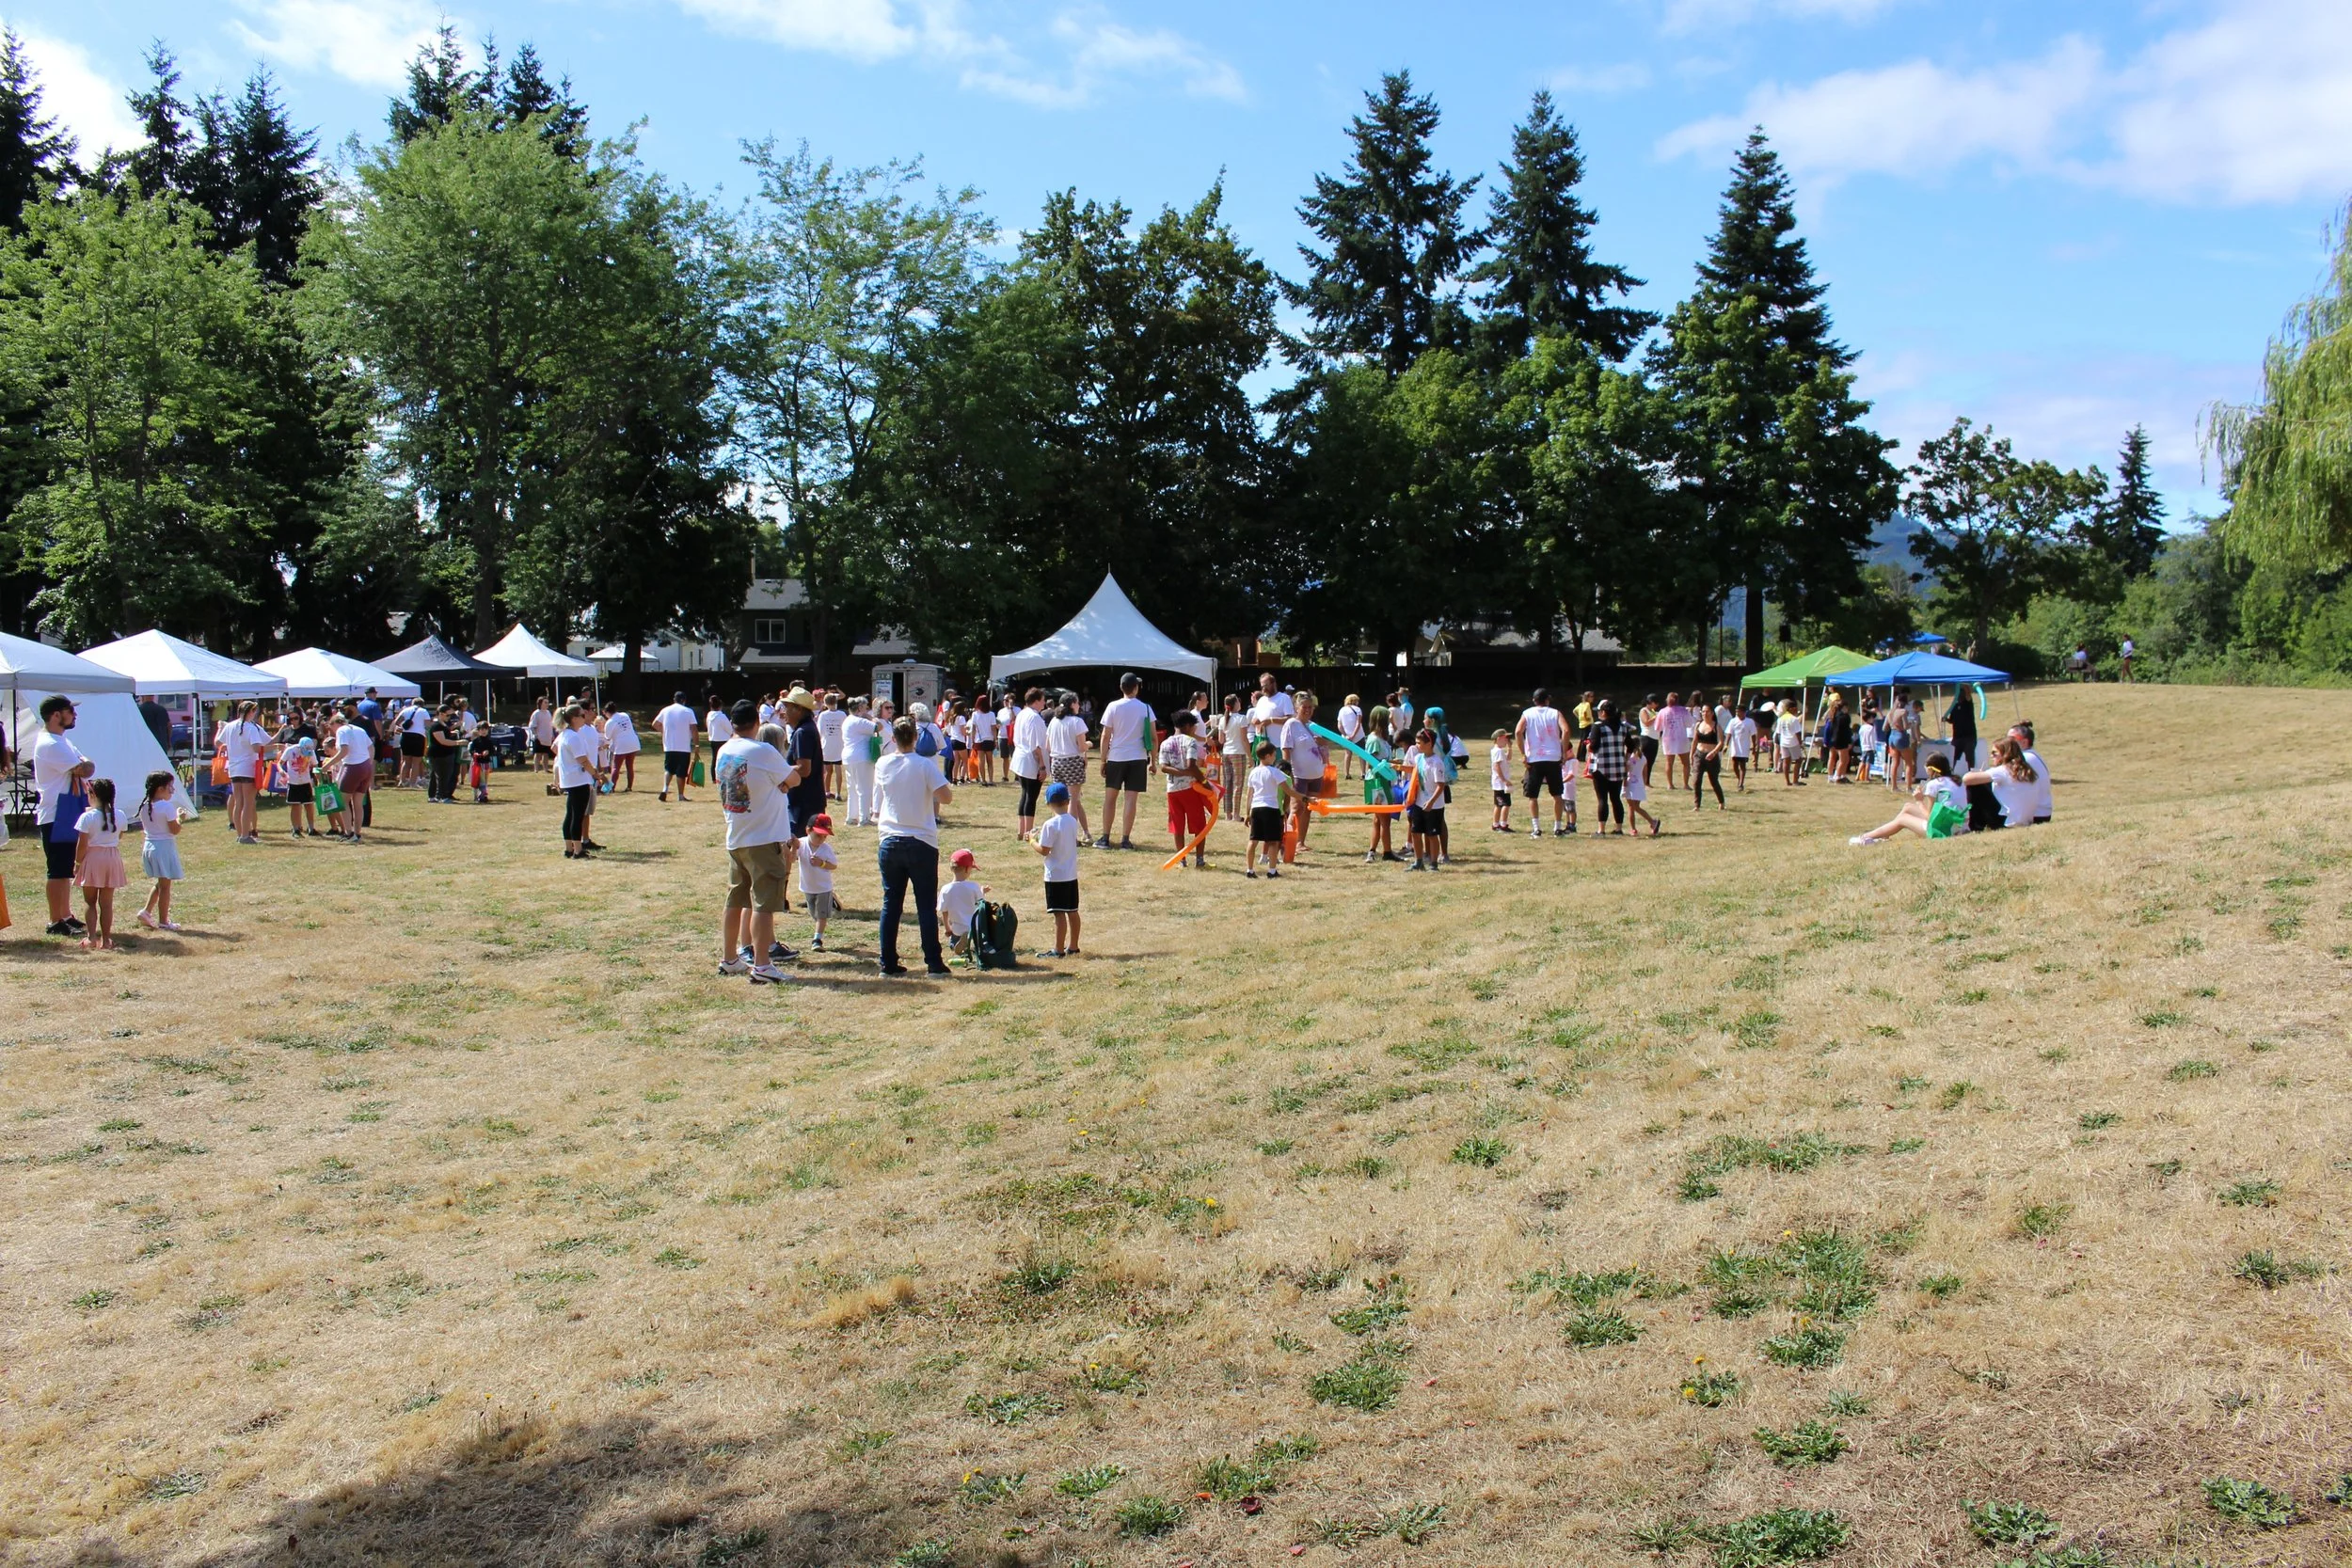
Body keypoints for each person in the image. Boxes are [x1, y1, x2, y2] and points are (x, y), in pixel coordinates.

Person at [715, 700, 795, 984]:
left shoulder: (724, 749)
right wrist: (782, 783)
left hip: (737, 834)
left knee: (735, 898)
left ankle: (729, 958)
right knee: (764, 903)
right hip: (764, 836)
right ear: (757, 723)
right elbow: (794, 777)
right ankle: (762, 964)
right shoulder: (763, 751)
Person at [875, 714, 954, 978]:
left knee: (891, 903)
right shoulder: (924, 765)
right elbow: (947, 797)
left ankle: (887, 961)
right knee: (925, 904)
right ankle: (933, 962)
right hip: (921, 839)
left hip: (890, 839)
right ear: (916, 738)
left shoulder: (883, 764)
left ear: (894, 739)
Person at [1095, 673, 1156, 851]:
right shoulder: (1145, 708)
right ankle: (1125, 840)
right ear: (1135, 688)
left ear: (1121, 687)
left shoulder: (1113, 707)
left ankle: (1105, 838)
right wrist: (1153, 761)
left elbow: (1106, 736)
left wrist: (1102, 760)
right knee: (1131, 800)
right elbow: (1153, 738)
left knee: (1110, 799)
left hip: (1116, 757)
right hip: (1137, 758)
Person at [1850, 755, 1967, 845]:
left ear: (1932, 769)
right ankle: (1884, 834)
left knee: (1903, 819)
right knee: (1907, 807)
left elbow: (1930, 818)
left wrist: (1919, 801)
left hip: (1943, 831)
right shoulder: (1957, 781)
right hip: (1959, 825)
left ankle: (1865, 838)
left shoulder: (1934, 784)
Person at [73, 777, 126, 950]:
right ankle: (107, 940)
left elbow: (82, 844)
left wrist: (77, 863)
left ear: (93, 795)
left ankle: (91, 938)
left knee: (90, 902)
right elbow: (119, 836)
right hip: (112, 858)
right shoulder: (120, 814)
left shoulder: (87, 817)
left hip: (93, 858)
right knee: (107, 903)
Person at [1033, 782, 1083, 955]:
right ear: (1067, 801)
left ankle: (1058, 949)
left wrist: (1032, 841)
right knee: (1073, 911)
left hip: (1055, 876)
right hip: (1070, 874)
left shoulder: (1050, 825)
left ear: (1048, 803)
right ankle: (1074, 946)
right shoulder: (1072, 820)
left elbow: (1044, 850)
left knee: (1059, 914)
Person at [131, 770, 185, 931]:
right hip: (163, 848)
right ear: (160, 789)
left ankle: (147, 911)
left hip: (150, 846)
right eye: (170, 787)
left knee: (162, 882)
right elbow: (174, 830)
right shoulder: (166, 807)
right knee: (165, 886)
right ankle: (163, 921)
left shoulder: (145, 807)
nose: (172, 790)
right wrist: (180, 819)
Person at [1514, 688, 1571, 838]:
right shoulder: (1555, 713)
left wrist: (1523, 753)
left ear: (1534, 700)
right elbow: (1566, 730)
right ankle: (1557, 827)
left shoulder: (1527, 713)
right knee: (1557, 795)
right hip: (1553, 757)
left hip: (1534, 758)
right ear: (1547, 700)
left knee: (1533, 796)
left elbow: (1518, 732)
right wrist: (1563, 751)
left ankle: (1536, 828)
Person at [1159, 709, 1212, 868]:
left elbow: (1163, 767)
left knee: (1177, 824)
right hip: (1190, 788)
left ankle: (1181, 859)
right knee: (1199, 824)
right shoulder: (1190, 742)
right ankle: (1200, 859)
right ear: (1188, 726)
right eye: (1194, 727)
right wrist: (1204, 782)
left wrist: (1179, 773)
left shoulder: (1165, 743)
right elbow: (1191, 765)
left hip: (1173, 790)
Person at [1279, 691, 1326, 855]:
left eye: (1310, 707)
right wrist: (1288, 772)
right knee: (1296, 809)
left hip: (1315, 774)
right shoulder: (1291, 724)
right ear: (1297, 708)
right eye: (1304, 707)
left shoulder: (1313, 726)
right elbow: (1286, 748)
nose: (1307, 710)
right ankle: (1286, 843)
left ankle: (1300, 842)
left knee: (1308, 808)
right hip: (1298, 774)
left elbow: (1323, 746)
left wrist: (1323, 743)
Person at [554, 704, 603, 859]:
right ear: (574, 718)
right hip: (578, 780)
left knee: (571, 814)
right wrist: (595, 774)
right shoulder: (574, 736)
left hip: (569, 779)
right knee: (578, 816)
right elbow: (583, 760)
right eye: (582, 715)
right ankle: (578, 850)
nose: (585, 717)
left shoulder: (565, 734)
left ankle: (569, 848)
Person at [220, 700, 271, 845]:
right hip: (248, 767)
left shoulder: (230, 726)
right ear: (251, 712)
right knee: (248, 803)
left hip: (234, 768)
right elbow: (256, 748)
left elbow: (219, 742)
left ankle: (240, 833)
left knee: (239, 802)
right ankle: (245, 834)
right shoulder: (250, 727)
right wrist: (274, 747)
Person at [1962, 736, 2039, 830]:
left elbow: (1966, 779)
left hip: (2009, 822)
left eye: (1994, 753)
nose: (1991, 756)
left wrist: (1974, 773)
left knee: (1975, 786)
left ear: (2005, 754)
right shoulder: (2026, 770)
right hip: (2026, 820)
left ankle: (1976, 826)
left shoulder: (2003, 770)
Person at [325, 705, 374, 842]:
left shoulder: (342, 731)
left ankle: (348, 833)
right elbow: (371, 747)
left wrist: (327, 765)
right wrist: (368, 762)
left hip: (353, 766)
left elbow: (344, 751)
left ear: (337, 723)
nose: (332, 730)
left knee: (342, 801)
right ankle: (357, 833)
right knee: (357, 802)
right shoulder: (359, 729)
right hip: (365, 767)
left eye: (331, 726)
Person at [1046, 696, 1092, 841]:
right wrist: (1089, 744)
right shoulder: (1077, 722)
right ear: (1072, 704)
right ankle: (1072, 836)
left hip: (1057, 762)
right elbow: (1081, 746)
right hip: (1072, 761)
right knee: (1073, 799)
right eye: (1077, 702)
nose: (1079, 705)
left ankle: (1083, 832)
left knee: (1063, 799)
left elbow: (1048, 746)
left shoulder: (1054, 721)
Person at [1583, 698, 1630, 836]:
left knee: (1602, 799)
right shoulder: (1623, 727)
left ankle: (1601, 829)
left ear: (1604, 712)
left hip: (1601, 767)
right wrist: (1625, 759)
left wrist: (1587, 746)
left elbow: (1594, 746)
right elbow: (1632, 745)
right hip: (1618, 767)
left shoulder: (1598, 726)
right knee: (1616, 798)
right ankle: (1619, 828)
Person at [1243, 742, 1290, 879]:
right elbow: (1288, 791)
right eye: (1274, 755)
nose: (1276, 757)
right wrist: (1304, 798)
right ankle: (1272, 871)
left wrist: (1247, 813)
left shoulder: (1253, 772)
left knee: (1253, 840)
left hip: (1256, 809)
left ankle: (1250, 870)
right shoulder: (1275, 772)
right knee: (1274, 841)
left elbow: (1249, 795)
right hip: (1271, 809)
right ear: (1268, 756)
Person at [1404, 728, 1448, 871]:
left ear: (1429, 744)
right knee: (1415, 832)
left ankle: (1434, 864)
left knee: (1432, 834)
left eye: (1419, 743)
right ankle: (1418, 861)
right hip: (1419, 802)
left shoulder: (1437, 763)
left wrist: (1431, 802)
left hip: (1434, 806)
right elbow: (1416, 771)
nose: (1417, 745)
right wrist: (1399, 767)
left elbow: (1441, 786)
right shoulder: (1419, 758)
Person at [1010, 688, 1050, 840]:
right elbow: (1036, 745)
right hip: (1029, 760)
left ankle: (1022, 831)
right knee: (1031, 797)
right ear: (1036, 701)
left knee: (1025, 794)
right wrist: (1042, 765)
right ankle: (1028, 832)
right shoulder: (1034, 717)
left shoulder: (1022, 714)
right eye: (1042, 700)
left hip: (1021, 758)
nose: (1044, 702)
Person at [1360, 706, 1397, 863]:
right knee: (1385, 819)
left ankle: (1372, 851)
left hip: (1385, 781)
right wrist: (1387, 766)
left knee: (1378, 819)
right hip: (1378, 783)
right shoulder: (1374, 740)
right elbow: (1371, 764)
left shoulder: (1382, 738)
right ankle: (1387, 852)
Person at [798, 812, 838, 951]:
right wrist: (791, 847)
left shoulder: (826, 849)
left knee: (821, 915)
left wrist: (822, 864)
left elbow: (833, 865)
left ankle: (817, 940)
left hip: (823, 887)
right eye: (818, 835)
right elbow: (792, 858)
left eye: (824, 836)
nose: (821, 840)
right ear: (808, 830)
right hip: (808, 887)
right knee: (814, 914)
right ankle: (818, 931)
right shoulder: (801, 844)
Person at [939, 847, 987, 963]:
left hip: (956, 929)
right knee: (980, 942)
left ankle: (957, 945)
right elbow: (981, 905)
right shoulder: (973, 887)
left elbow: (944, 912)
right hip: (974, 929)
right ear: (967, 869)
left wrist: (947, 929)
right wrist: (982, 892)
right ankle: (973, 946)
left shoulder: (945, 889)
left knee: (953, 941)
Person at [652, 692, 698, 802]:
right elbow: (694, 729)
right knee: (681, 772)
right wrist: (697, 745)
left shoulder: (665, 710)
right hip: (683, 746)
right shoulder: (688, 711)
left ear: (674, 699)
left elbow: (655, 724)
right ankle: (681, 795)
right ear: (684, 700)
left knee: (669, 768)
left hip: (669, 745)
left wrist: (664, 731)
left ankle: (665, 788)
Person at [2010, 721, 2053, 824]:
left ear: (2024, 742)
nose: (2007, 742)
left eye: (2011, 739)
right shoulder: (2032, 755)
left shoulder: (2024, 759)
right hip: (2042, 812)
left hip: (2036, 815)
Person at [279, 723, 319, 836]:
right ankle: (295, 829)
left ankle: (311, 828)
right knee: (295, 805)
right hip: (293, 782)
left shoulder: (311, 752)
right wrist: (282, 771)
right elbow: (279, 763)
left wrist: (317, 779)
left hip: (306, 781)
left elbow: (315, 765)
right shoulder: (291, 750)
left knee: (309, 804)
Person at [427, 698, 464, 803]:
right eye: (447, 715)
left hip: (446, 753)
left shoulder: (444, 725)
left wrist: (452, 733)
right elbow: (442, 741)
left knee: (437, 775)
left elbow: (445, 735)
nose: (449, 717)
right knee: (443, 776)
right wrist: (458, 742)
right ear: (441, 714)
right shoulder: (436, 725)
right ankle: (442, 796)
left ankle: (434, 796)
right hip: (438, 755)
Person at [1656, 692, 1693, 791]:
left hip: (1668, 739)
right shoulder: (1683, 711)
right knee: (1686, 763)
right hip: (1681, 738)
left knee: (1669, 762)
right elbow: (1689, 724)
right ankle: (1686, 784)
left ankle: (1670, 784)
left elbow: (1657, 727)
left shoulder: (1662, 712)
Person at [1624, 740, 1660, 838]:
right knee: (1636, 807)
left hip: (1630, 782)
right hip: (1639, 784)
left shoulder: (1629, 757)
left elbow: (1625, 769)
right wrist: (1643, 784)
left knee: (1631, 807)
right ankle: (1652, 822)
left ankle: (1633, 828)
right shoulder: (1643, 758)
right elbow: (1645, 773)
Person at [1692, 704, 1725, 809]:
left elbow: (1721, 742)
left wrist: (1714, 752)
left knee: (1714, 781)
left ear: (1712, 713)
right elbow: (1694, 741)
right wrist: (1691, 755)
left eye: (1707, 711)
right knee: (1696, 780)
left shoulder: (1716, 726)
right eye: (1703, 711)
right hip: (1699, 754)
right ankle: (1697, 805)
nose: (1704, 714)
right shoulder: (1698, 725)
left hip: (1712, 756)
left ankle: (1721, 802)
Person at [818, 690, 849, 799]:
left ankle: (826, 791)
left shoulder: (823, 715)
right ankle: (838, 793)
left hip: (827, 744)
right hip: (839, 744)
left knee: (827, 770)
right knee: (838, 769)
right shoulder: (842, 714)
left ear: (825, 703)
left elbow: (820, 731)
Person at [606, 707, 642, 792]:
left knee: (616, 767)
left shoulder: (610, 721)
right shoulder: (624, 715)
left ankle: (612, 788)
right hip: (633, 742)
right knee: (629, 766)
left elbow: (607, 737)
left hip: (621, 745)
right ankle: (629, 787)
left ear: (607, 712)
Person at [1946, 687, 1978, 772]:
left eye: (1961, 694)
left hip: (1969, 736)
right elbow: (1952, 720)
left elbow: (1968, 694)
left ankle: (1972, 773)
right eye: (1958, 694)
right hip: (1957, 737)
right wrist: (1946, 719)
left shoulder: (1968, 704)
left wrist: (1962, 684)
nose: (1960, 696)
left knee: (1970, 758)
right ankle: (1950, 774)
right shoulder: (1954, 707)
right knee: (1953, 757)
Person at [704, 694, 735, 783]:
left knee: (715, 758)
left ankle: (714, 777)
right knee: (725, 759)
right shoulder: (722, 716)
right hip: (723, 740)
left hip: (713, 739)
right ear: (720, 706)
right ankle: (724, 776)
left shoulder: (709, 716)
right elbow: (729, 729)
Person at [1774, 701, 1806, 787]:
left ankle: (1787, 781)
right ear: (1791, 709)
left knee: (1786, 761)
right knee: (1798, 760)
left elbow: (1778, 732)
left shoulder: (1781, 718)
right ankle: (1795, 781)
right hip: (1793, 742)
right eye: (1795, 708)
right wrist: (1800, 743)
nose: (1796, 710)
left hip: (1784, 742)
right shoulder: (1794, 719)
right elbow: (1797, 733)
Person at [1727, 703, 1756, 793]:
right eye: (1736, 711)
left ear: (1744, 712)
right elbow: (1729, 733)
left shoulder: (1750, 722)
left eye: (1739, 711)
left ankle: (1741, 783)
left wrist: (1754, 746)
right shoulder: (1733, 721)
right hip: (1735, 746)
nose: (1737, 713)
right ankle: (1739, 779)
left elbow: (1753, 734)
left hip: (1744, 746)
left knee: (1742, 765)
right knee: (1735, 765)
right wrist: (1726, 744)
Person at [1489, 731, 1514, 832]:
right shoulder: (1498, 751)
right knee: (1505, 804)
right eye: (1505, 738)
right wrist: (1504, 780)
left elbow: (1508, 758)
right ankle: (1503, 825)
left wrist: (1510, 747)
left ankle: (1496, 824)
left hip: (1499, 783)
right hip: (1500, 784)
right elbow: (1497, 766)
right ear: (1498, 738)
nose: (1506, 740)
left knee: (1499, 805)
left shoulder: (1499, 750)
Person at [1337, 693, 1365, 779]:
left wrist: (1345, 735)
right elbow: (1358, 723)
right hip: (1359, 735)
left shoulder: (1341, 710)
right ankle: (1363, 773)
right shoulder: (1358, 709)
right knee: (1362, 754)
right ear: (1355, 701)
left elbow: (1339, 725)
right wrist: (1353, 735)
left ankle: (1347, 774)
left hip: (1346, 736)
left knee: (1348, 753)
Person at [525, 698, 555, 775]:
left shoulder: (548, 713)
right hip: (539, 737)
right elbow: (532, 726)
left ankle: (546, 769)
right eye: (545, 702)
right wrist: (536, 734)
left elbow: (550, 725)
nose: (547, 704)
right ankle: (536, 769)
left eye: (548, 702)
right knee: (538, 754)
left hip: (547, 737)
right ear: (540, 703)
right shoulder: (536, 713)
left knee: (546, 754)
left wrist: (552, 735)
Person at [469, 719, 496, 803]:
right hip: (477, 763)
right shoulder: (476, 741)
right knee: (479, 779)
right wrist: (476, 753)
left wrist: (488, 752)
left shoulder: (489, 741)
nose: (484, 731)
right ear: (479, 731)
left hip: (486, 763)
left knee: (485, 779)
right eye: (482, 729)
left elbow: (492, 751)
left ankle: (482, 795)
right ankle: (482, 795)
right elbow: (472, 750)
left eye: (485, 729)